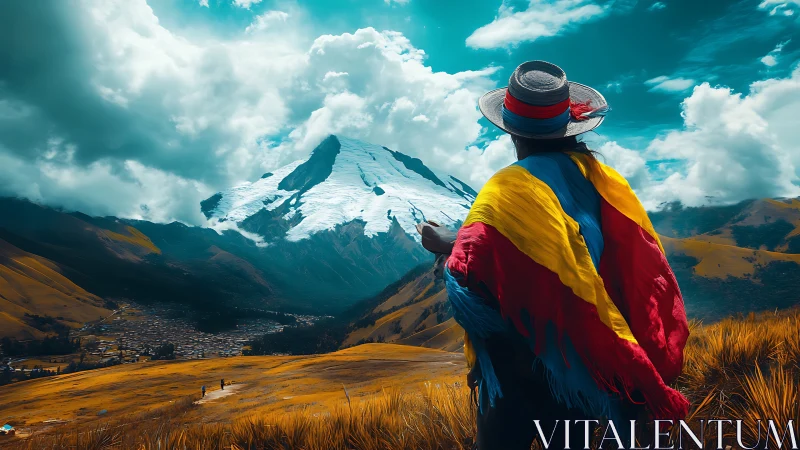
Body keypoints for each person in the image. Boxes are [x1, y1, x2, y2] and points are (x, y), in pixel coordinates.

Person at [416, 61, 689, 450]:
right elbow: (542, 240)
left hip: (528, 362)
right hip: (587, 359)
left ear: (511, 130)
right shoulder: (602, 181)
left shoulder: (508, 187)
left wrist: (441, 244)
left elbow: (478, 258)